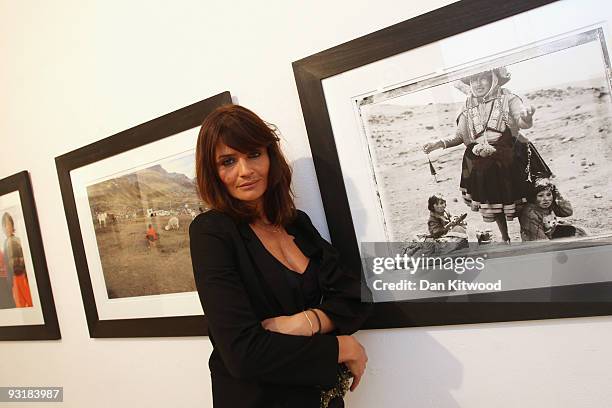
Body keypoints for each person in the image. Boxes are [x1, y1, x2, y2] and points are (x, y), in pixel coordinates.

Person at [190, 104, 372, 408]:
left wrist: (305, 322)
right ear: (214, 172)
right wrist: (341, 346)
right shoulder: (211, 232)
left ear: (270, 157)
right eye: (228, 161)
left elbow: (355, 298)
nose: (245, 171)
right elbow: (243, 354)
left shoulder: (296, 223)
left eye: (254, 155)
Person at [423, 67, 551, 243]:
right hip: (483, 161)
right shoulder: (467, 105)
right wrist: (440, 143)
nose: (477, 83)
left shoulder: (508, 98)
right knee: (493, 201)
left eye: (482, 78)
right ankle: (505, 238)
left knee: (521, 199)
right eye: (473, 80)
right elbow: (460, 136)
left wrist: (527, 118)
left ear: (494, 79)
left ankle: (528, 233)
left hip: (511, 157)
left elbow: (521, 120)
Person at [519, 178, 586, 241]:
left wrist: (558, 195)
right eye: (540, 195)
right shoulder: (531, 213)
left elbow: (567, 212)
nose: (546, 199)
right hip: (536, 241)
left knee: (579, 232)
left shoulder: (548, 205)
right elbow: (539, 240)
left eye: (549, 194)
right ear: (533, 197)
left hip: (550, 234)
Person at [2, 213, 33, 308]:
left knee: (29, 300)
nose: (7, 227)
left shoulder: (17, 240)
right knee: (20, 304)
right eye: (5, 225)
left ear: (12, 225)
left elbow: (24, 259)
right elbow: (7, 264)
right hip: (14, 279)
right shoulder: (5, 243)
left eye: (9, 224)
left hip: (22, 276)